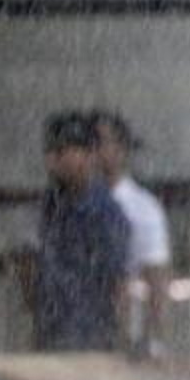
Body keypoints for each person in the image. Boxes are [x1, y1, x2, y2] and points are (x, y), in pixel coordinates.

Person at [33, 111, 131, 352]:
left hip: (90, 334)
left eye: (61, 152)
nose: (52, 162)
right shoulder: (52, 204)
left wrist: (120, 340)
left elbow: (118, 282)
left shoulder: (104, 213)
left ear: (88, 155)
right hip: (53, 331)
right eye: (50, 153)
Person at [95, 111, 172, 359]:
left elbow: (157, 280)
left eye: (101, 142)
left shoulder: (143, 206)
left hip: (124, 333)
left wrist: (154, 339)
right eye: (89, 143)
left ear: (121, 149)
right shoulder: (63, 204)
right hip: (75, 329)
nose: (95, 151)